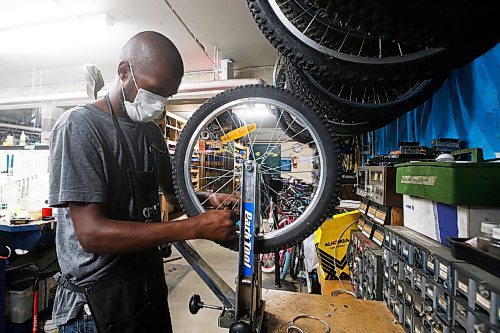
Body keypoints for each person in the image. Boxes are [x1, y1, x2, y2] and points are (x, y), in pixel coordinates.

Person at [49, 31, 238, 333]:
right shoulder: (79, 126)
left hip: (146, 281)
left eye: (167, 96)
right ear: (124, 72)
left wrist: (206, 199)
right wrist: (194, 228)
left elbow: (174, 195)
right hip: (97, 302)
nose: (159, 104)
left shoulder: (151, 133)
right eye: (154, 91)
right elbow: (91, 234)